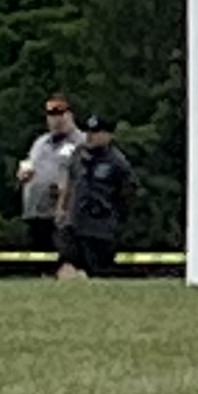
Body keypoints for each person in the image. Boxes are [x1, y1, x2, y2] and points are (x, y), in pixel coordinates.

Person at [56, 117, 136, 281]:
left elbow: (128, 192)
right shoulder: (78, 154)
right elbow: (69, 182)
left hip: (100, 228)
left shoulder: (117, 162)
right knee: (67, 264)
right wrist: (61, 208)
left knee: (98, 271)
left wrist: (117, 216)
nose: (90, 136)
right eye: (88, 131)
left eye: (96, 132)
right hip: (75, 223)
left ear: (109, 136)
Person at [18, 95, 80, 263]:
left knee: (65, 258)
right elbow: (29, 162)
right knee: (42, 259)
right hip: (37, 210)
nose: (56, 120)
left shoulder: (80, 142)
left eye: (60, 115)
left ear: (70, 116)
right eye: (52, 116)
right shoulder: (40, 142)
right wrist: (23, 173)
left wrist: (63, 204)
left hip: (65, 213)